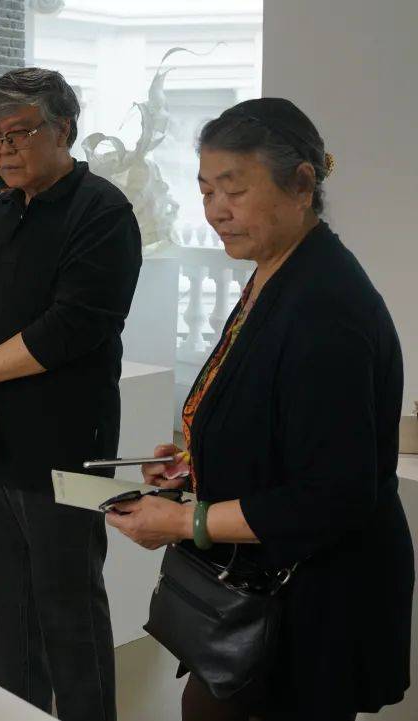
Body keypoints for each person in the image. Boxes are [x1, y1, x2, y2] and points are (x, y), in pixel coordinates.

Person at [107, 98, 414, 721]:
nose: (216, 210)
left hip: (313, 597)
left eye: (235, 189)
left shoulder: (325, 308)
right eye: (206, 190)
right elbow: (274, 420)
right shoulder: (276, 273)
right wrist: (196, 462)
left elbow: (332, 495)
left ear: (301, 185)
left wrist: (185, 522)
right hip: (269, 585)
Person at [0, 67, 142, 721]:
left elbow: (69, 328)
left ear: (64, 129)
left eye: (19, 132)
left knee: (71, 615)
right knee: (7, 612)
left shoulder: (102, 212)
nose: (4, 148)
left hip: (72, 455)